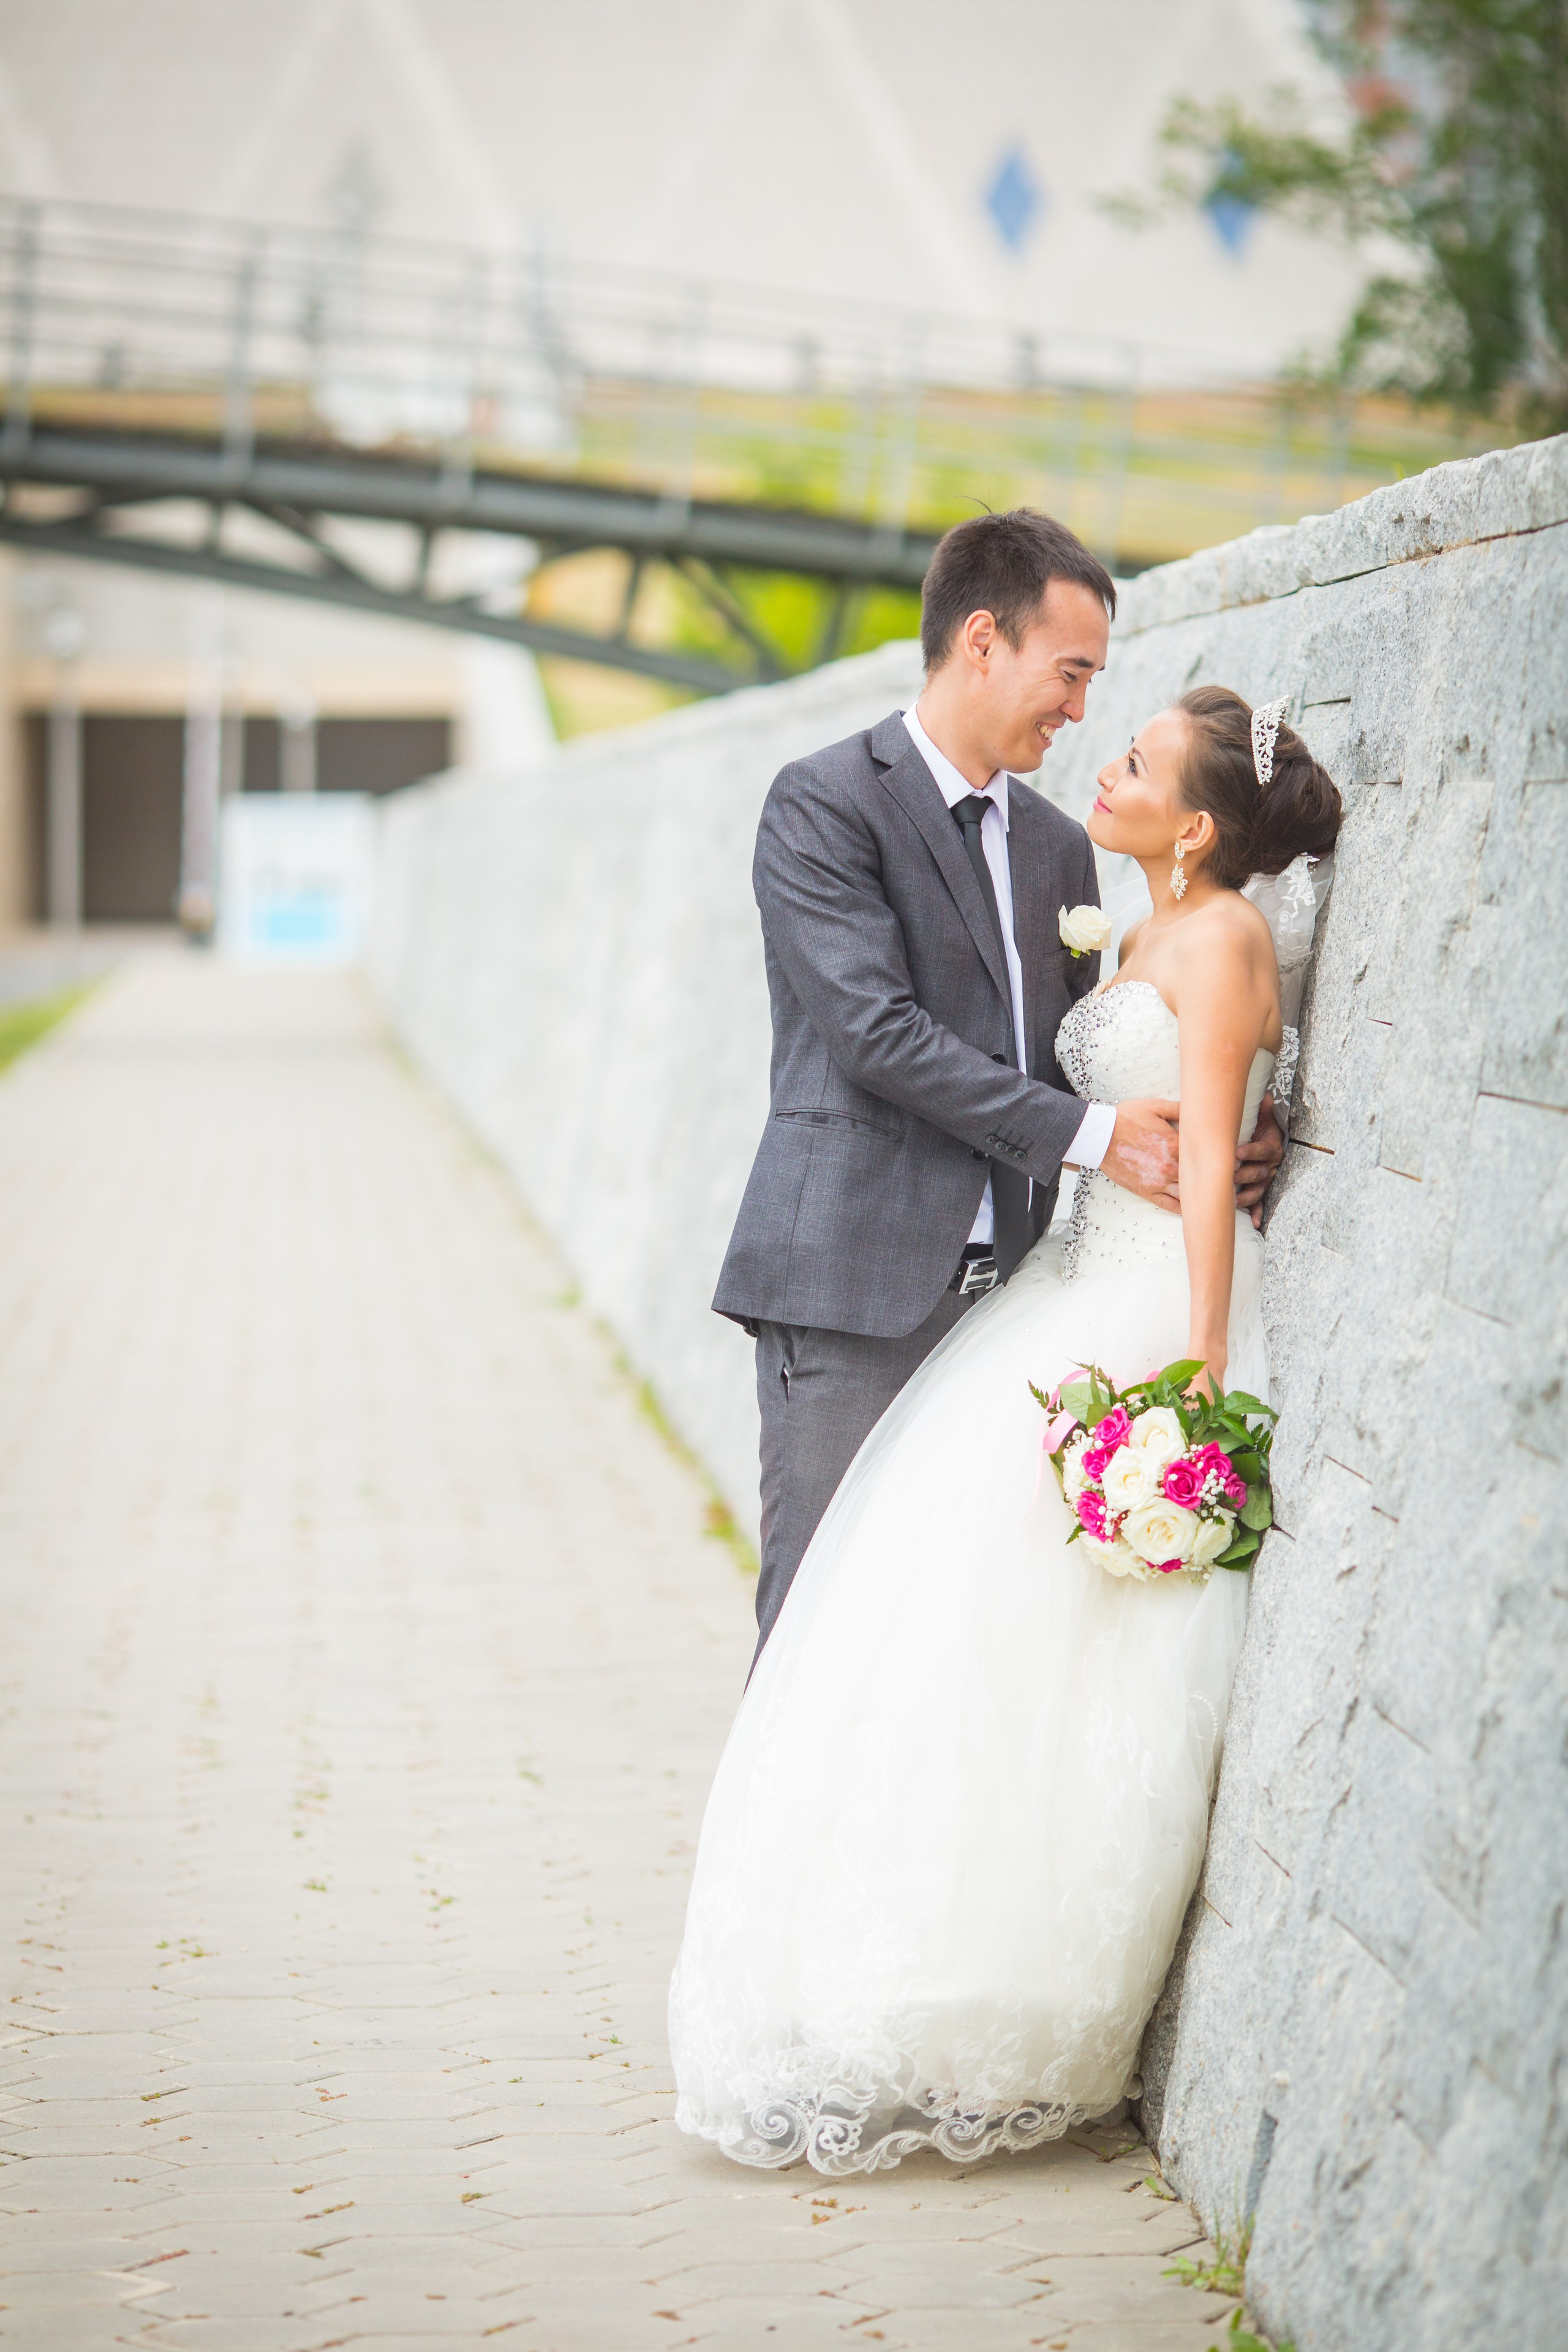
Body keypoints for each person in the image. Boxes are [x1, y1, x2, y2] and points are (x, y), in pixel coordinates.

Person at [671, 684, 1342, 2174]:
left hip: (1142, 1312)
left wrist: (1200, 1381)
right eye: (1083, 693)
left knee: (1064, 1670)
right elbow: (993, 1054)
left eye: (1134, 753)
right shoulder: (1117, 907)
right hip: (1057, 1287)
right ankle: (871, 1963)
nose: (1097, 747)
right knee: (940, 1634)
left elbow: (1218, 1138)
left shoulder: (1214, 934)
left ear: (1196, 827)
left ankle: (1004, 1992)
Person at [714, 508, 1286, 1664]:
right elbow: (879, 1033)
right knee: (821, 1633)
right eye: (1069, 672)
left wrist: (1220, 1130)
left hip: (1017, 1307)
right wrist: (1101, 1136)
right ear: (984, 640)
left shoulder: (1058, 850)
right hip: (852, 1293)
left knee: (960, 1645)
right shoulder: (824, 804)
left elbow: (1081, 1047)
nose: (1081, 709)